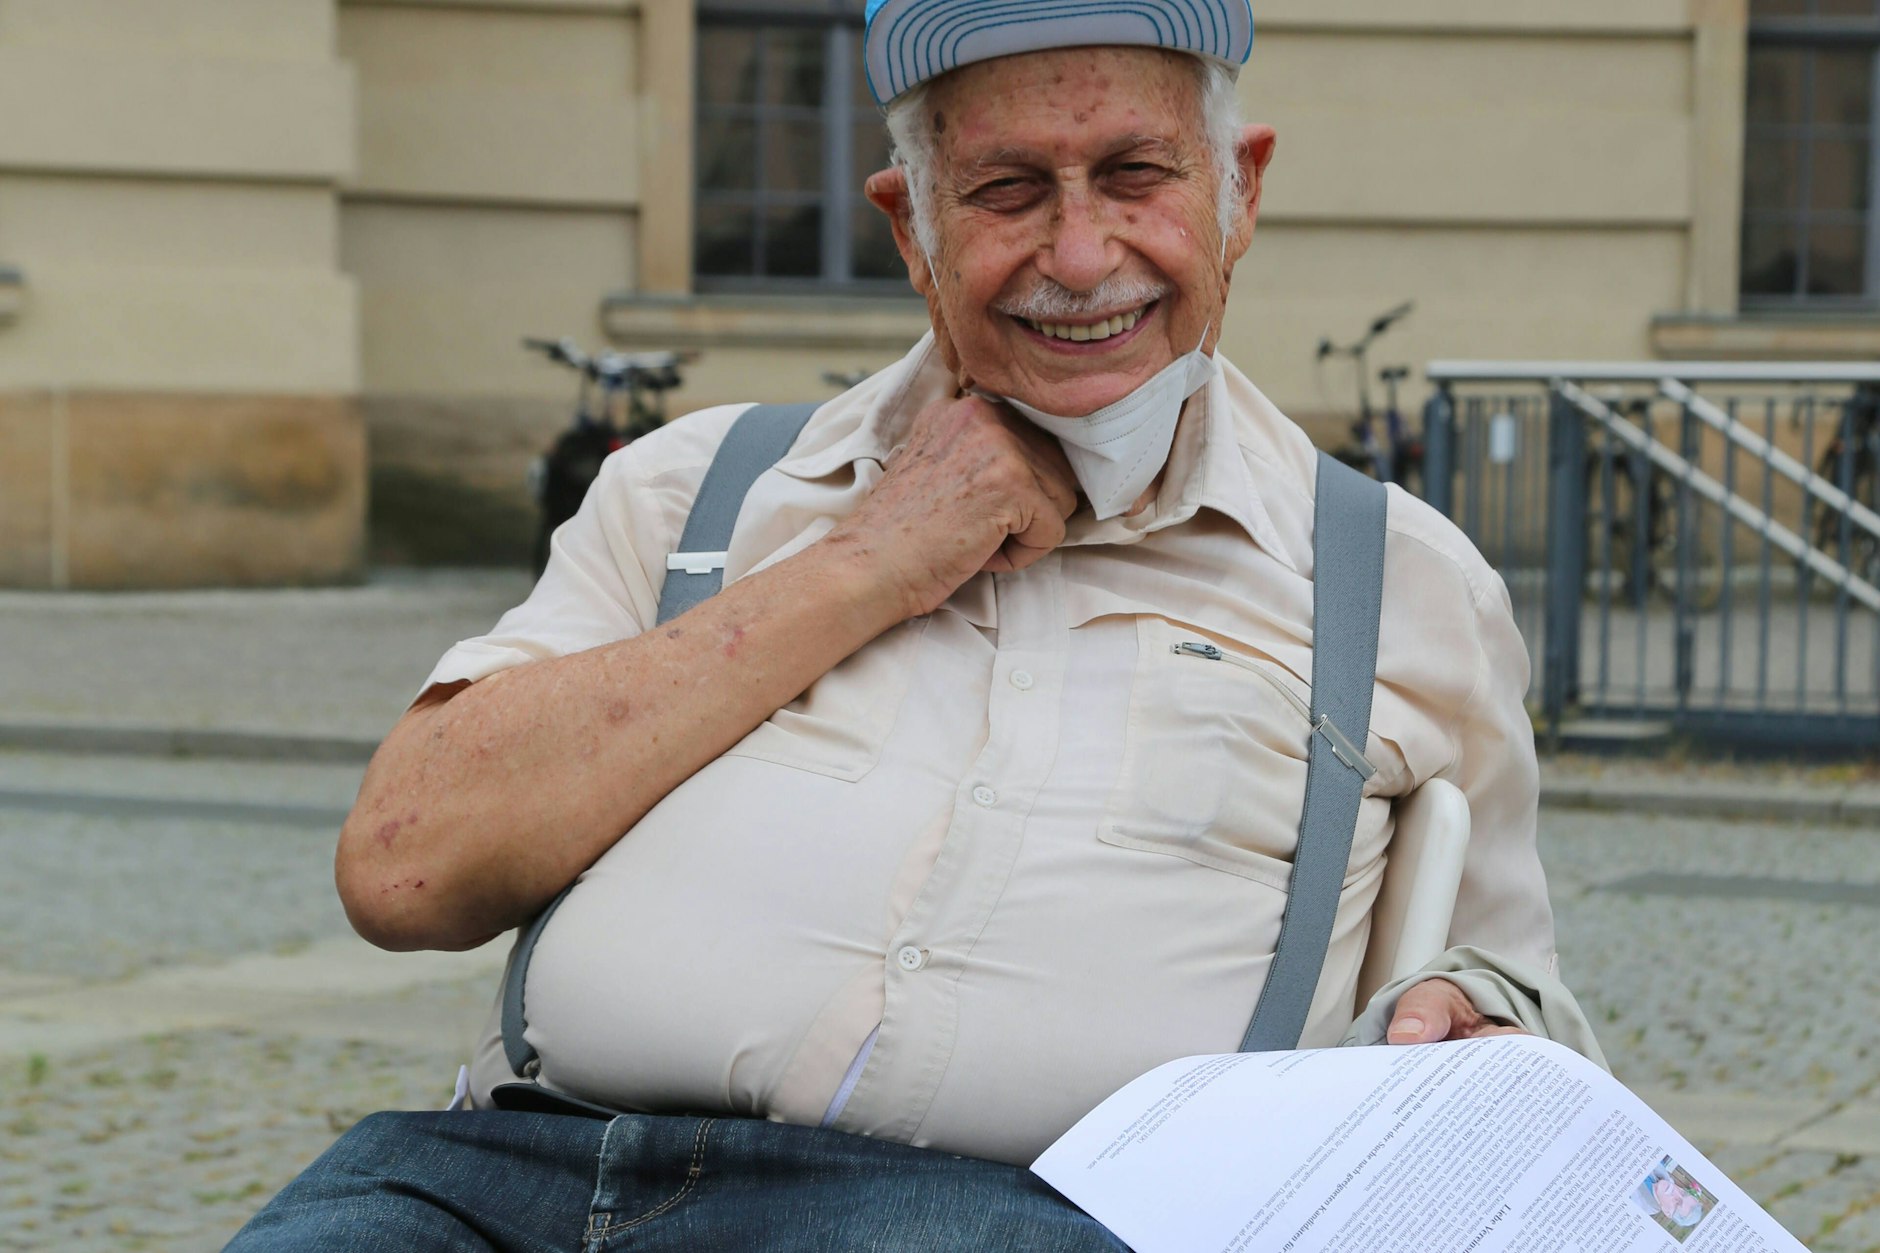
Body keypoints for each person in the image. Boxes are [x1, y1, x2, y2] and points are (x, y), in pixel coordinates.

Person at [230, 2, 1601, 1247]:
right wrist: (870, 558)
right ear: (911, 227)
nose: (1082, 255)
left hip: (1004, 1220)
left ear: (1239, 193)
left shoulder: (1404, 584)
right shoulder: (692, 491)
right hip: (500, 1188)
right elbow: (405, 873)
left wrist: (1481, 1019)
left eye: (1136, 174)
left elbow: (1508, 995)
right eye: (1008, 190)